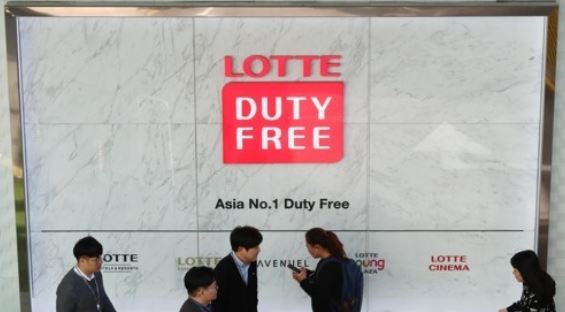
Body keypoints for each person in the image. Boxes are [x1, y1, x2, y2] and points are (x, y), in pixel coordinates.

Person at [56, 236, 116, 312]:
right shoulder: (67, 288)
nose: (100, 261)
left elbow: (103, 299)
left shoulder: (97, 274)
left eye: (100, 257)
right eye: (95, 259)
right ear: (82, 261)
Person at [291, 228, 345, 312]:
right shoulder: (328, 261)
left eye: (307, 246)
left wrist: (302, 281)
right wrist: (308, 273)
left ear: (316, 247)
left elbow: (320, 296)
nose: (308, 250)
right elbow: (324, 279)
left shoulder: (331, 265)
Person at [213, 225, 263, 312]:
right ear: (240, 249)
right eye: (255, 247)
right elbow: (218, 304)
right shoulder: (223, 269)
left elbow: (252, 295)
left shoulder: (252, 261)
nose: (259, 250)